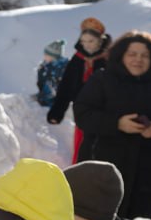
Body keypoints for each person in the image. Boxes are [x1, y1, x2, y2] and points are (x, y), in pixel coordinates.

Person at [72, 30, 151, 220]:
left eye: (144, 55)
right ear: (121, 55)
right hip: (102, 168)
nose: (138, 60)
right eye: (132, 54)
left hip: (144, 174)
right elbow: (82, 114)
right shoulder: (102, 80)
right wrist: (117, 124)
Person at [47, 17, 111, 162]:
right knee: (83, 144)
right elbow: (66, 86)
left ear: (100, 40)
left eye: (91, 41)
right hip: (83, 110)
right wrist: (57, 112)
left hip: (105, 112)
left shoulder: (108, 60)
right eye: (83, 41)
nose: (87, 45)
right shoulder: (77, 60)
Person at [36, 40, 68, 107]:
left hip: (53, 102)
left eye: (46, 54)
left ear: (53, 56)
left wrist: (42, 98)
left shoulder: (59, 69)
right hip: (46, 97)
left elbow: (53, 88)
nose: (44, 56)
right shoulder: (46, 65)